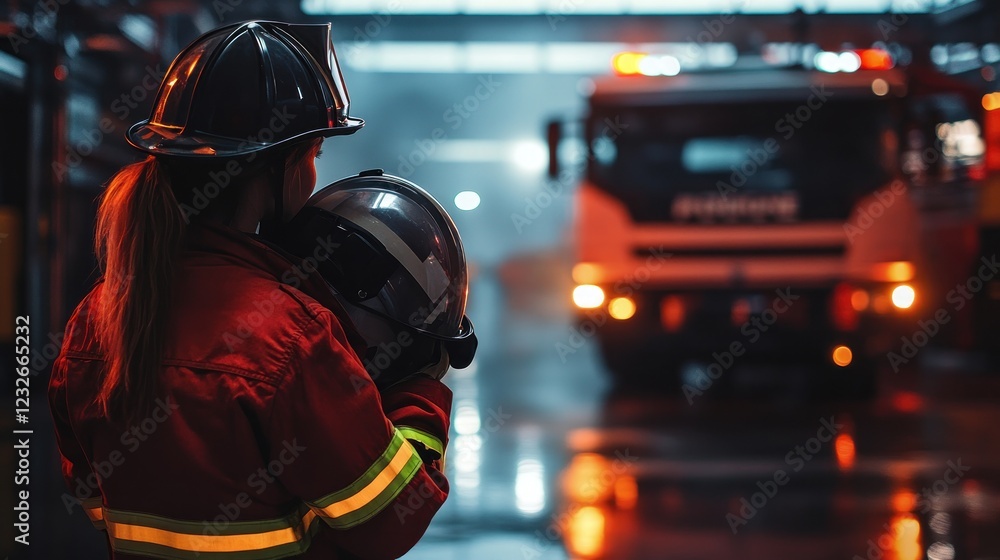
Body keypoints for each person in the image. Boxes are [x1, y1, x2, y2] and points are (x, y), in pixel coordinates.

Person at [48, 21, 458, 559]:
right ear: (275, 166)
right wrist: (420, 393)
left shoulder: (97, 316)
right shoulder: (290, 336)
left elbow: (96, 499)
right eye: (312, 155)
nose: (314, 174)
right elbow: (386, 521)